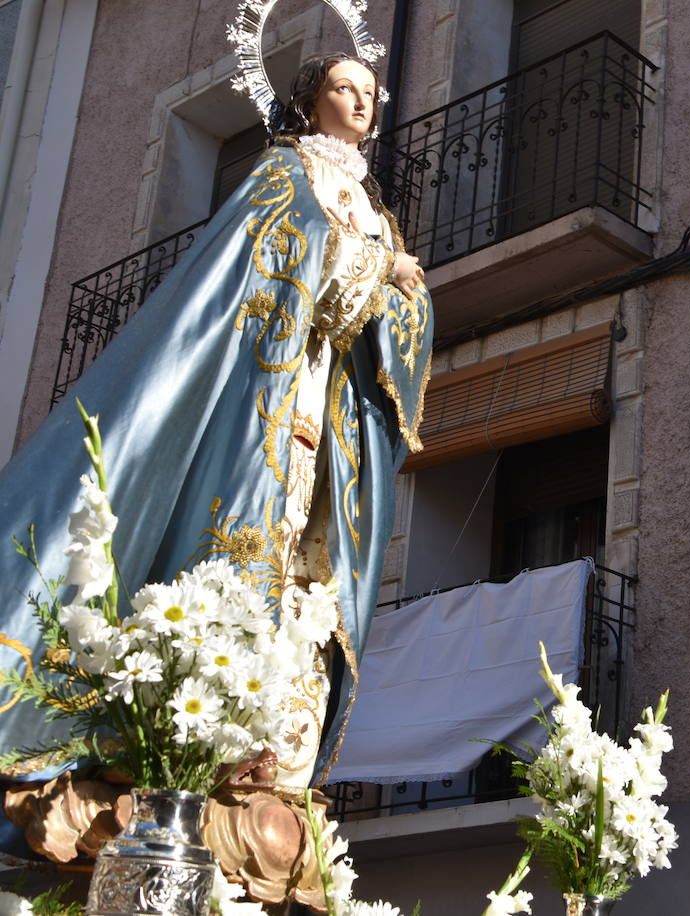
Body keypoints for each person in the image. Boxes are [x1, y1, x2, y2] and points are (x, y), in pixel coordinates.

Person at [0, 51, 433, 888]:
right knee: (239, 562)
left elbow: (383, 319)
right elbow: (279, 263)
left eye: (371, 93)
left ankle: (272, 757)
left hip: (325, 417)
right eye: (345, 88)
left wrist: (398, 285)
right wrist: (380, 270)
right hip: (258, 410)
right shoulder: (285, 172)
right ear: (311, 101)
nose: (361, 102)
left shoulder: (378, 210)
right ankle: (183, 753)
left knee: (311, 589)